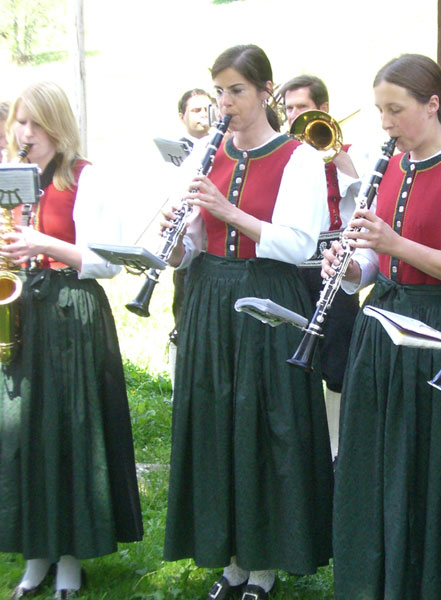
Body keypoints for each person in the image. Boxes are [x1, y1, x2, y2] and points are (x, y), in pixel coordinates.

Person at [321, 53, 441, 599]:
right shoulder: (390, 166)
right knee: (376, 461)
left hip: (439, 330)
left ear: (433, 106)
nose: (385, 123)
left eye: (395, 110)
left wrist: (396, 244)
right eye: (380, 110)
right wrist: (351, 266)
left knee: (433, 467)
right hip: (381, 327)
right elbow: (376, 266)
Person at [160, 45, 333, 600]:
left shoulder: (299, 158)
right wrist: (176, 239)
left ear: (265, 92)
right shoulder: (204, 155)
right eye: (219, 92)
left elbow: (299, 243)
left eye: (237, 90)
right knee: (215, 421)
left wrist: (230, 211)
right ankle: (229, 561)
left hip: (266, 293)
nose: (226, 103)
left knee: (263, 424)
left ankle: (263, 567)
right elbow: (187, 249)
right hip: (209, 293)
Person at [0, 81, 143, 598]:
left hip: (71, 311)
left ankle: (68, 559)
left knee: (69, 433)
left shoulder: (87, 177)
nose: (25, 133)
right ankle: (35, 555)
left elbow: (108, 260)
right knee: (24, 435)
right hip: (21, 312)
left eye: (36, 123)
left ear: (57, 127)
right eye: (20, 122)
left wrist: (42, 241)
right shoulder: (10, 178)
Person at [280, 74, 366, 457]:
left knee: (339, 360)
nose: (295, 116)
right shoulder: (284, 154)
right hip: (294, 266)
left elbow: (365, 199)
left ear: (324, 110)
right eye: (289, 109)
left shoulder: (348, 151)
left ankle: (338, 450)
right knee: (293, 355)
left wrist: (336, 155)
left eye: (302, 107)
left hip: (334, 267)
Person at [168, 88, 213, 386]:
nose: (204, 115)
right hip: (196, 267)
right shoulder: (187, 156)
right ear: (182, 117)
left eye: (206, 108)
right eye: (195, 110)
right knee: (183, 326)